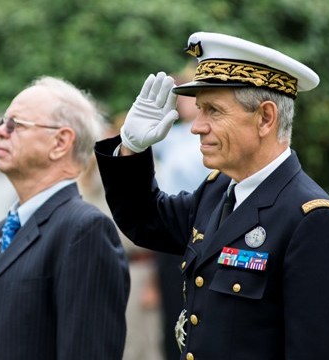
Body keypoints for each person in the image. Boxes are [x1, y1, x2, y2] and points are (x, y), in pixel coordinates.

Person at [94, 31, 329, 359]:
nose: (197, 126)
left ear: (265, 118)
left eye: (214, 111)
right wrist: (131, 149)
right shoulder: (218, 190)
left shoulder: (314, 221)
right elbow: (145, 220)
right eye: (200, 110)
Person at [0, 76, 130, 359]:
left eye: (16, 125)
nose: (0, 132)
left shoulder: (83, 230)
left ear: (60, 142)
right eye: (2, 122)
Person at [78, 113, 163, 360]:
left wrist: (153, 284)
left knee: (142, 344)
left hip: (138, 267)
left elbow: (161, 225)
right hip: (101, 269)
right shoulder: (92, 171)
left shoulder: (147, 168)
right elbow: (87, 181)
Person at [152, 64, 210, 360]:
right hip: (169, 229)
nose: (186, 101)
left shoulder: (206, 136)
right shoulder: (174, 134)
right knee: (171, 318)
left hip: (199, 229)